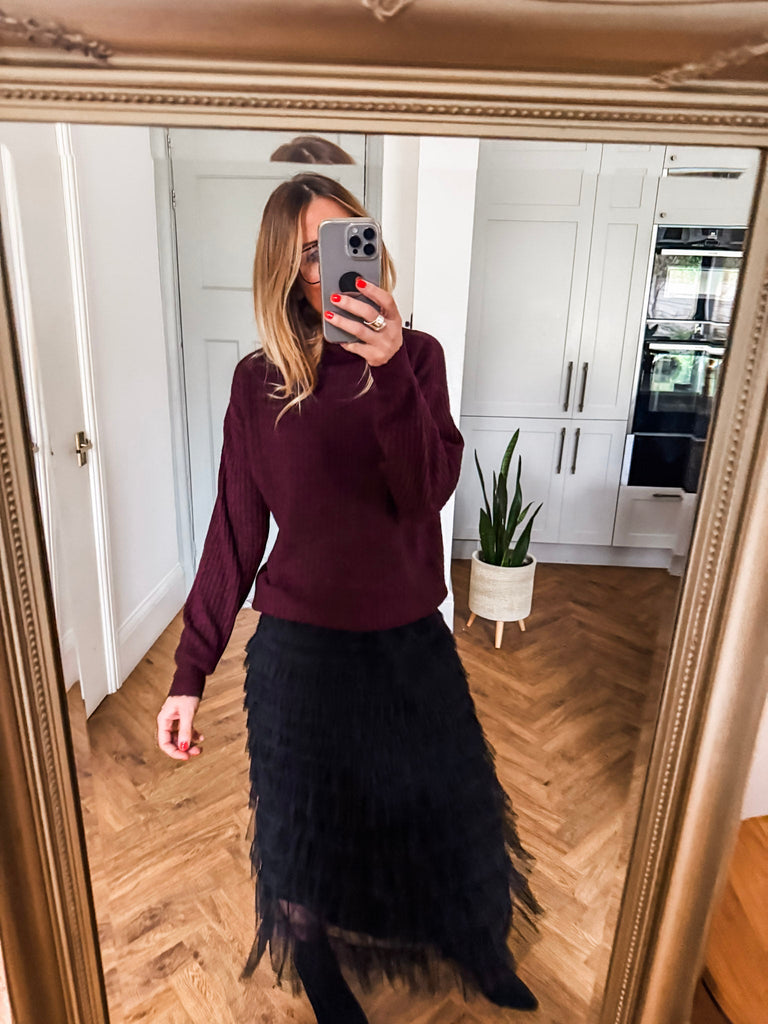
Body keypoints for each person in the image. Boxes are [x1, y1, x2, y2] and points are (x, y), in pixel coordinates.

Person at [156, 172, 540, 1023]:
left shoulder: (419, 358)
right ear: (286, 272)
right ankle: (320, 973)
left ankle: (477, 947)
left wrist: (391, 369)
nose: (331, 267)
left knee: (451, 808)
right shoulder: (258, 382)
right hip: (298, 651)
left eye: (344, 241)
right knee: (305, 829)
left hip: (407, 639)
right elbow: (234, 532)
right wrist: (188, 675)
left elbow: (426, 492)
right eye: (309, 254)